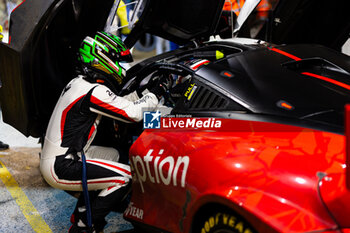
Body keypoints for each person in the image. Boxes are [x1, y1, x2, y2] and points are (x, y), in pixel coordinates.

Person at [40, 31, 172, 232]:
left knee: (116, 155)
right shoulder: (93, 90)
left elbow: (118, 104)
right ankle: (86, 226)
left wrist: (145, 93)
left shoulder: (80, 84)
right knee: (125, 177)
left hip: (65, 155)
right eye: (117, 60)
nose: (120, 66)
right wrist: (157, 93)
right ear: (102, 58)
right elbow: (135, 114)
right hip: (62, 164)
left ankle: (82, 213)